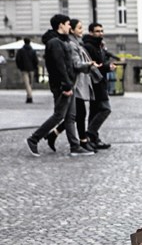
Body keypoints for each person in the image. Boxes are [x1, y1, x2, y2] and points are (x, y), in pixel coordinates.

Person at [25, 14, 94, 157]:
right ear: (61, 25)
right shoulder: (55, 43)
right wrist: (66, 86)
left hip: (70, 83)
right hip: (63, 86)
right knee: (59, 115)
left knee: (70, 117)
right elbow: (59, 67)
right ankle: (34, 138)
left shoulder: (64, 40)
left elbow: (68, 65)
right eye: (68, 24)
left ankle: (75, 147)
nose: (70, 26)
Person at [46, 19, 100, 153]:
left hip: (78, 82)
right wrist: (89, 65)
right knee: (74, 114)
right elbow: (74, 64)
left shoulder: (77, 43)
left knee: (74, 115)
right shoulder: (70, 44)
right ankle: (80, 142)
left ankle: (55, 135)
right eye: (79, 28)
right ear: (71, 30)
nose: (82, 31)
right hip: (75, 83)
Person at [83, 22, 116, 150]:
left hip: (100, 81)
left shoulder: (99, 45)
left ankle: (93, 139)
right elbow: (95, 65)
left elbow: (103, 61)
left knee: (95, 110)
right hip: (95, 82)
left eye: (101, 31)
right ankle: (90, 133)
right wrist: (108, 67)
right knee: (105, 109)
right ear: (91, 32)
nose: (100, 33)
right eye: (97, 31)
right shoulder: (89, 46)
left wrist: (107, 64)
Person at [15, 38, 40, 104]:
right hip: (32, 69)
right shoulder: (33, 51)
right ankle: (29, 97)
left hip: (24, 69)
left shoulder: (20, 51)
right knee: (30, 83)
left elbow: (18, 60)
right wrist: (34, 67)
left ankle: (29, 97)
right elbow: (36, 61)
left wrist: (20, 67)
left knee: (27, 84)